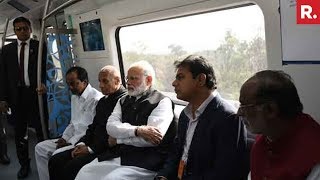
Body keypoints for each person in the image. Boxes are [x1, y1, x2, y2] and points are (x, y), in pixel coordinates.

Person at [75, 61, 176, 180]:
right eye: (128, 78)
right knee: (85, 173)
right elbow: (110, 127)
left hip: (146, 160)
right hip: (121, 155)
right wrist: (138, 130)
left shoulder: (162, 102)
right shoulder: (123, 100)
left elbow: (151, 140)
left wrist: (118, 140)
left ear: (148, 80)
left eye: (133, 78)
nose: (128, 82)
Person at [155, 55, 248, 180]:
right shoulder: (185, 115)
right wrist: (164, 175)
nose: (173, 83)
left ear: (200, 80)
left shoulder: (227, 117)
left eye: (180, 77)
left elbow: (225, 172)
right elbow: (176, 153)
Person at [48, 66, 127, 180]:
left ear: (118, 81)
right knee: (55, 160)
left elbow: (110, 133)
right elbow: (92, 127)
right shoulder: (103, 101)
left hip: (105, 149)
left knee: (71, 167)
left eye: (105, 81)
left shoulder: (123, 101)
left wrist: (90, 149)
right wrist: (82, 144)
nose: (100, 85)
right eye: (99, 81)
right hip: (91, 144)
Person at [238, 70, 320, 180]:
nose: (239, 113)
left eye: (245, 106)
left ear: (271, 110)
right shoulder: (263, 141)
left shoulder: (313, 151)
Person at [35, 66, 103, 180]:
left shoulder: (96, 100)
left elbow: (89, 130)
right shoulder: (75, 98)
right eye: (68, 84)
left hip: (81, 142)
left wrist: (69, 142)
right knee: (40, 148)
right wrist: (64, 138)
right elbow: (73, 123)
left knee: (56, 157)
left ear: (84, 82)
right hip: (71, 138)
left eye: (73, 84)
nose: (70, 88)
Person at [0, 16, 47, 178]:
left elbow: (47, 70)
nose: (22, 31)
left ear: (30, 29)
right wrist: (3, 98)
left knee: (41, 130)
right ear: (14, 31)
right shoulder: (6, 50)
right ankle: (24, 165)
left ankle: (46, 162)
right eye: (18, 29)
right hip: (16, 96)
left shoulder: (40, 46)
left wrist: (45, 84)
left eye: (25, 28)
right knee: (20, 134)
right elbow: (3, 76)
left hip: (35, 95)